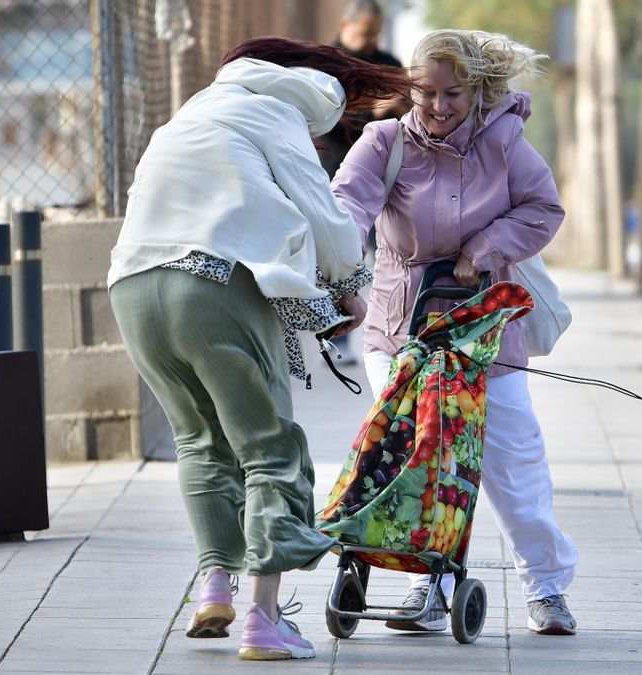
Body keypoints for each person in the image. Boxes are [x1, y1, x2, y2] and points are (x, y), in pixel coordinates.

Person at [107, 36, 411, 661]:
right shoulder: (278, 112)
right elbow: (321, 212)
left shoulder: (190, 113)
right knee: (269, 448)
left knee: (199, 443)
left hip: (131, 287)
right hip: (212, 284)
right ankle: (264, 622)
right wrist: (351, 287)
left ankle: (214, 584)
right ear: (319, 87)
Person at [331, 29, 579, 636]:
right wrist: (334, 267)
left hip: (485, 334)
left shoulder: (504, 143)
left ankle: (545, 588)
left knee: (513, 466)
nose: (439, 106)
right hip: (400, 332)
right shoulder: (384, 142)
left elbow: (544, 209)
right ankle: (429, 584)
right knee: (421, 462)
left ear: (476, 89)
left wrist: (487, 246)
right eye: (426, 93)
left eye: (453, 94)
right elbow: (344, 209)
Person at [320, 0, 411, 365]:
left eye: (375, 34)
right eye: (364, 33)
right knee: (339, 252)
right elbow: (322, 117)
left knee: (386, 250)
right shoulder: (326, 63)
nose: (371, 42)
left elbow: (412, 111)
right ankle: (335, 334)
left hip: (381, 173)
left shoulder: (387, 62)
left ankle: (393, 330)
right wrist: (369, 112)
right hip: (335, 168)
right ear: (345, 25)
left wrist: (397, 107)